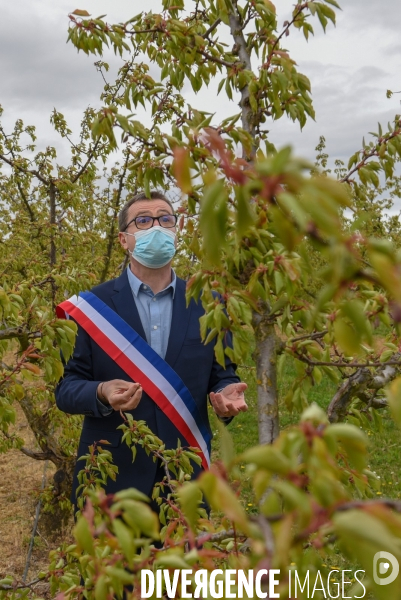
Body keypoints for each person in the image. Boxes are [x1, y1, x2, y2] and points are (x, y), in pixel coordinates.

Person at [55, 191, 247, 504]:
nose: (155, 227)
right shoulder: (93, 306)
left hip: (187, 471)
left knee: (187, 555)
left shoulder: (210, 304)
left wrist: (226, 395)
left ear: (176, 231)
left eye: (165, 219)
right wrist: (102, 391)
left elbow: (222, 374)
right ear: (123, 239)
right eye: (143, 220)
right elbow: (66, 389)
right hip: (111, 474)